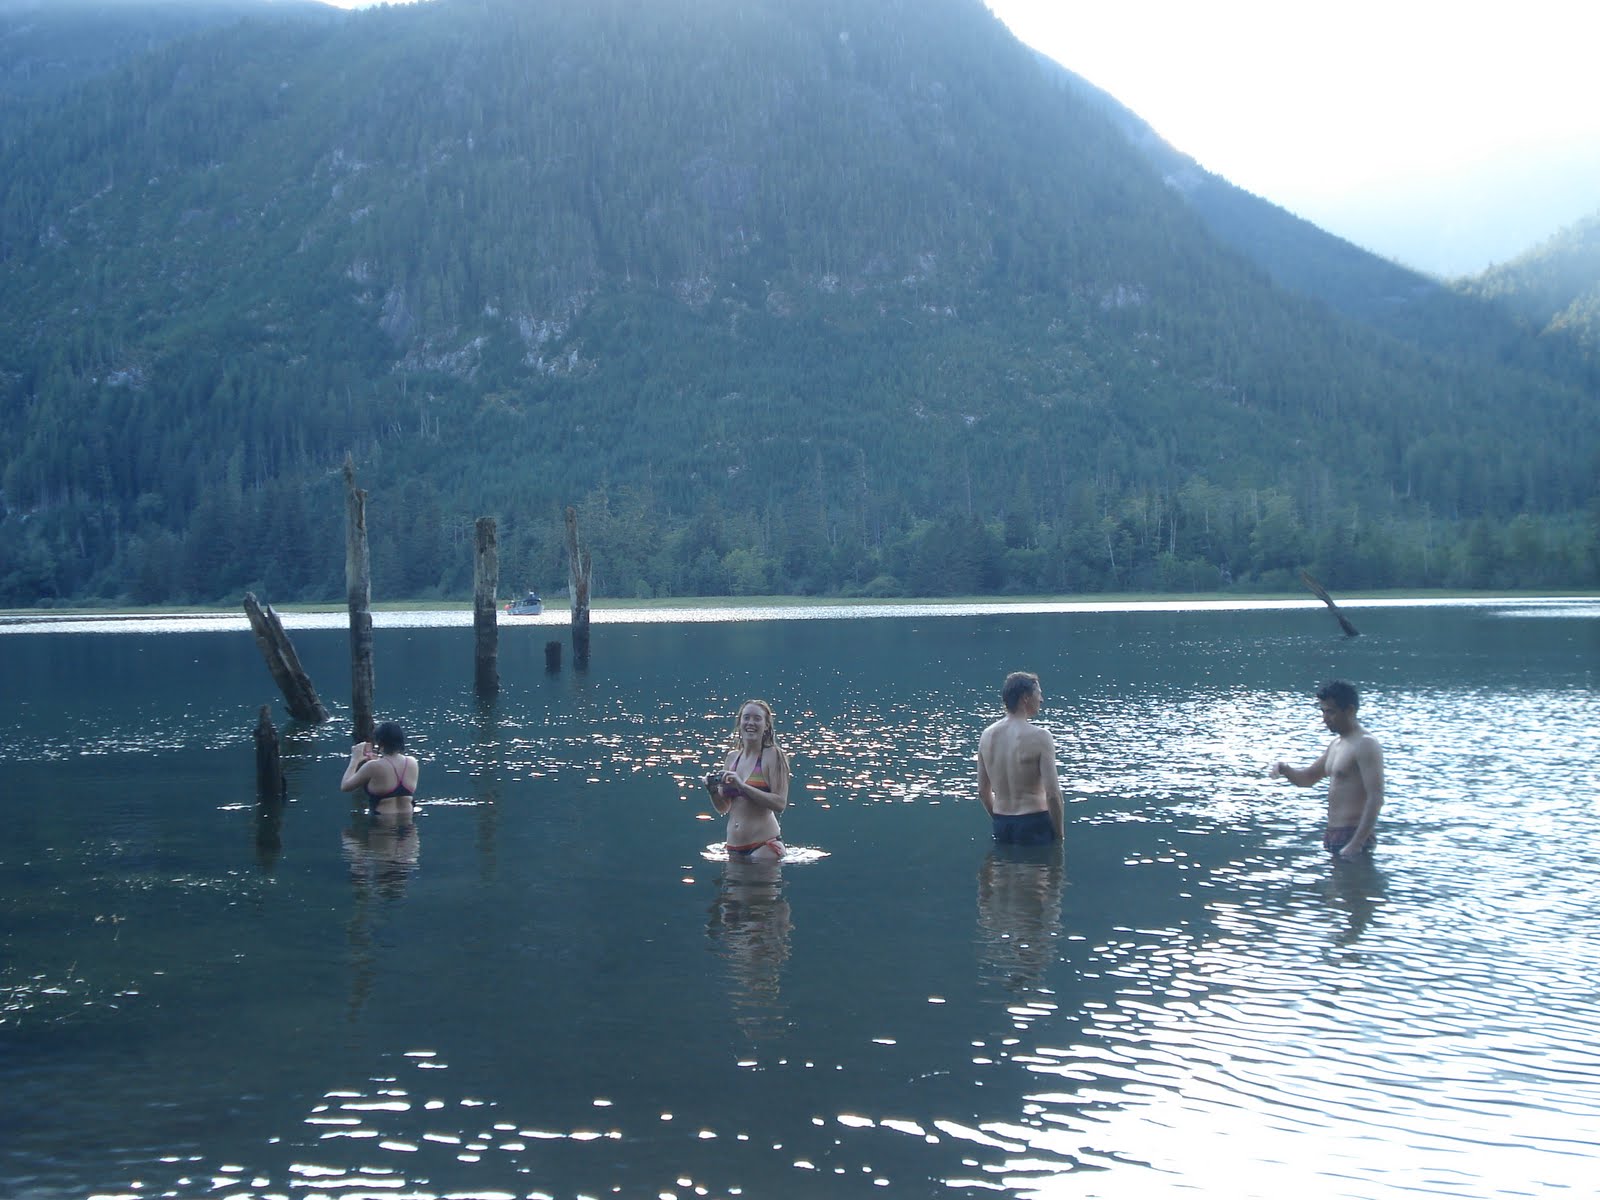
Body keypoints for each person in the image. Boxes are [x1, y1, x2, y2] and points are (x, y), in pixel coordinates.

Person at [1271, 679, 1385, 860]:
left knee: (1354, 888)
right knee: (1335, 888)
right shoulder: (1336, 744)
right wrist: (1284, 769)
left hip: (1353, 834)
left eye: (1330, 712)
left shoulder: (1365, 744)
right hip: (1334, 834)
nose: (1325, 719)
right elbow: (1307, 779)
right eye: (1323, 711)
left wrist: (1356, 843)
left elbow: (1376, 797)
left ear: (1349, 710)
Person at [977, 671, 1064, 844]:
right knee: (1041, 869)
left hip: (1002, 824)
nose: (1041, 700)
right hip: (1035, 823)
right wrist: (1060, 835)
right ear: (1025, 697)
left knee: (1003, 870)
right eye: (1039, 694)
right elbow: (1053, 794)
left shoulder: (986, 736)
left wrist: (999, 819)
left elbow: (982, 792)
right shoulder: (1040, 737)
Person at [705, 699, 790, 861]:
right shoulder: (732, 758)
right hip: (733, 848)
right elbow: (724, 807)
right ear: (739, 723)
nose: (751, 722)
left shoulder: (773, 755)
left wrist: (742, 786)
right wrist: (712, 790)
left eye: (757, 718)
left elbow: (780, 804)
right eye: (746, 717)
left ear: (766, 726)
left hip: (764, 846)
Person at [340, 720, 420, 813]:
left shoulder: (373, 766)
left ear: (380, 742)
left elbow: (345, 786)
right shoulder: (412, 762)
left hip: (382, 824)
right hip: (409, 823)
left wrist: (355, 759)